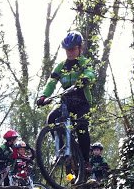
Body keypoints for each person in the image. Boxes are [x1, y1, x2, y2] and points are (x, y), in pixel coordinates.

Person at [36, 30, 97, 171]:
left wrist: (85, 78)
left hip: (82, 101)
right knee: (51, 118)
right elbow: (52, 82)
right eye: (67, 50)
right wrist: (44, 96)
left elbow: (90, 73)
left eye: (73, 49)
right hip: (67, 100)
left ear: (80, 48)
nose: (69, 52)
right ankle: (61, 149)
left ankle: (86, 162)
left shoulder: (83, 62)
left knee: (82, 128)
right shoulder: (61, 66)